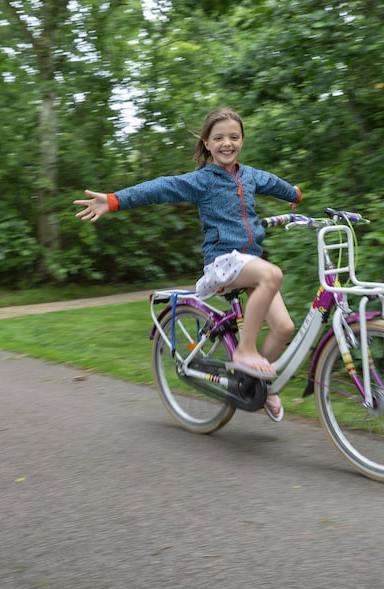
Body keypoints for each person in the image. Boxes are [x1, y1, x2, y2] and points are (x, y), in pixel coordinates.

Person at [73, 107, 302, 421]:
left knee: (285, 327)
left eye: (234, 136)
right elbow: (160, 188)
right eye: (218, 138)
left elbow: (274, 183)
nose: (227, 143)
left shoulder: (249, 175)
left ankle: (257, 384)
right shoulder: (203, 180)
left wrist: (294, 194)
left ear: (242, 140)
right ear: (207, 143)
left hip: (250, 264)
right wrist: (114, 200)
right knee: (272, 274)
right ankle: (245, 351)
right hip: (222, 262)